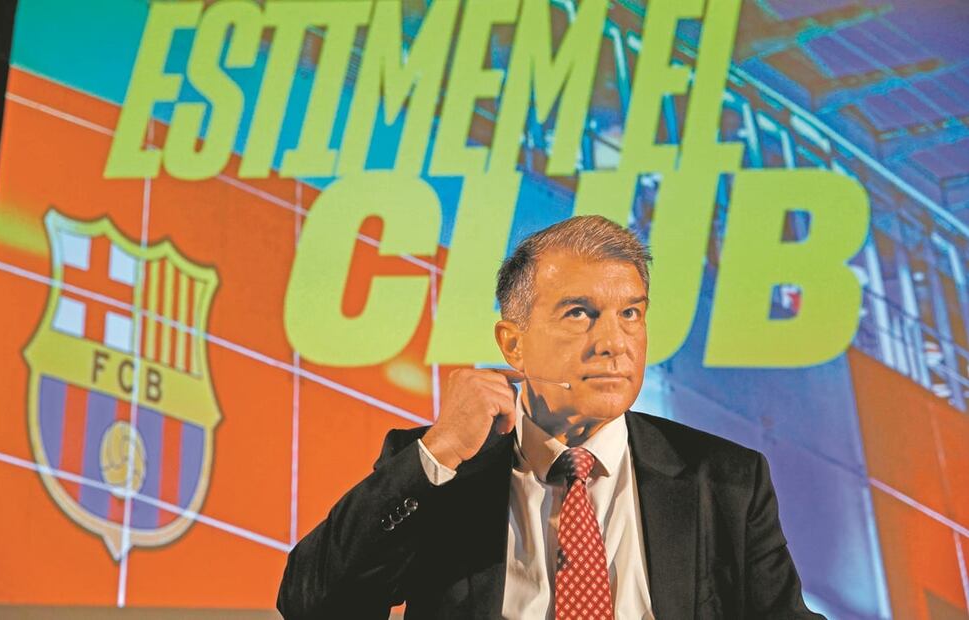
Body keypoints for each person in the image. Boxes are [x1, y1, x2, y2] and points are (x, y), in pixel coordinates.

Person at [277, 215, 822, 619]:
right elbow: (313, 603)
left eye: (630, 313)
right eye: (580, 313)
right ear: (513, 344)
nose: (614, 343)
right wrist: (439, 450)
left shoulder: (724, 479)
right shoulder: (444, 470)